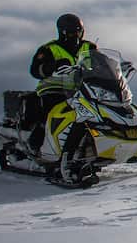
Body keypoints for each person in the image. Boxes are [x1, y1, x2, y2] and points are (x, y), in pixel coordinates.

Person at [26, 13, 97, 154]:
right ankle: (36, 145)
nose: (75, 35)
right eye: (71, 32)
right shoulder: (49, 49)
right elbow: (35, 70)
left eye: (78, 31)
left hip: (82, 89)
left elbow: (100, 64)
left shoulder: (89, 47)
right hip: (54, 88)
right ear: (62, 32)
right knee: (51, 112)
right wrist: (51, 66)